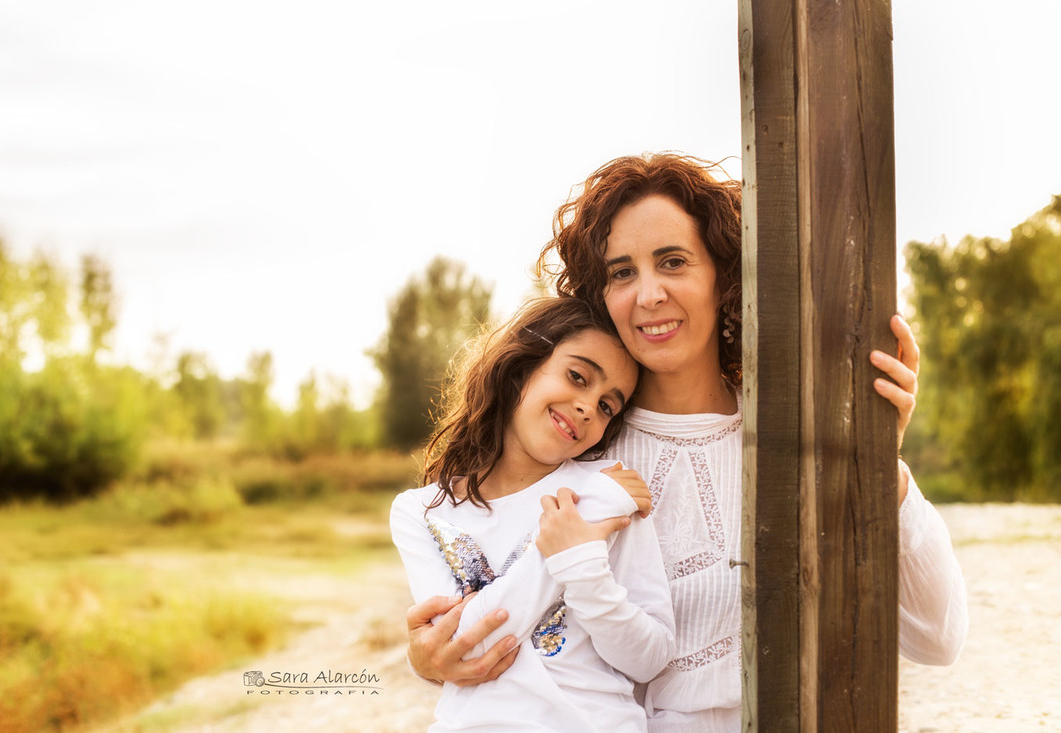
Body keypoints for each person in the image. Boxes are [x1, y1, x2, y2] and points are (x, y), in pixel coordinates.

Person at [404, 153, 969, 732]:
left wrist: (879, 465)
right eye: (622, 272)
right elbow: (506, 643)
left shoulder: (798, 446)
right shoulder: (575, 462)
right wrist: (430, 658)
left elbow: (936, 639)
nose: (648, 295)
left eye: (672, 262)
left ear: (724, 276)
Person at [390, 296, 676, 732]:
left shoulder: (605, 486)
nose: (587, 406)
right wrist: (573, 540)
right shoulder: (421, 511)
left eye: (606, 406)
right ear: (522, 365)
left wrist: (586, 572)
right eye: (577, 376)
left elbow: (650, 658)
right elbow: (464, 645)